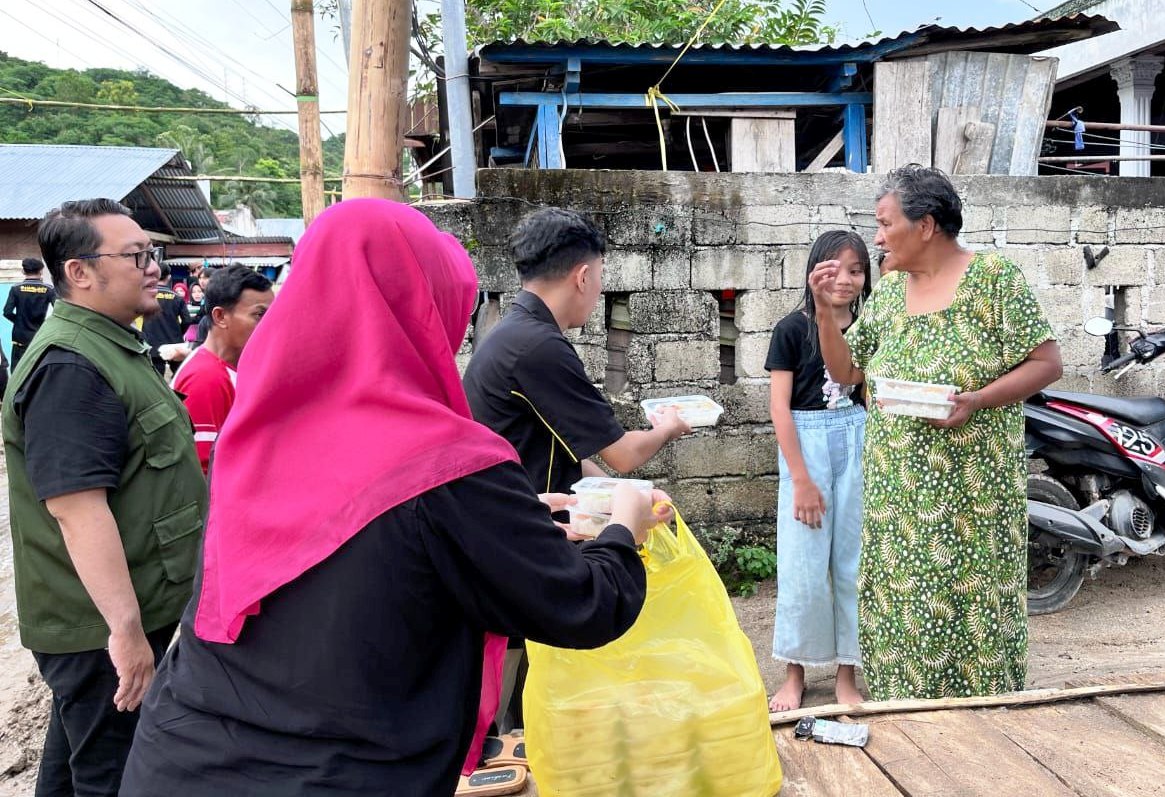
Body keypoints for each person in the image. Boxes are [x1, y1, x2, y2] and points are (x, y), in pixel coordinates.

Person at [120, 199, 668, 797]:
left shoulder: (253, 437)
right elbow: (582, 604)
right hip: (340, 775)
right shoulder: (444, 463)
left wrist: (516, 519)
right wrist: (624, 528)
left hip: (178, 755)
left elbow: (358, 545)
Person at [810, 165, 1062, 700]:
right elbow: (848, 373)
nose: (877, 237)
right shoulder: (892, 291)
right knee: (905, 618)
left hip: (972, 504)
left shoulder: (994, 280)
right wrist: (826, 316)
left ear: (925, 226)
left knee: (974, 624)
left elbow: (1046, 363)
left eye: (884, 223)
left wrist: (977, 401)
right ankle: (909, 737)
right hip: (898, 502)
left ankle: (983, 748)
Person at [2, 199, 207, 796]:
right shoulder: (72, 366)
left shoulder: (113, 347)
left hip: (122, 613)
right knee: (113, 775)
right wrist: (125, 632)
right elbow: (77, 507)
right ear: (79, 273)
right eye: (138, 255)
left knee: (75, 766)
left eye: (154, 253)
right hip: (101, 628)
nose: (155, 268)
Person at [461, 207, 690, 730]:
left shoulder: (512, 332)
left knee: (522, 669)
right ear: (583, 275)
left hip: (517, 515)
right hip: (525, 529)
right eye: (601, 278)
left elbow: (578, 450)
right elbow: (622, 454)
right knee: (514, 684)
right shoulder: (538, 347)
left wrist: (609, 490)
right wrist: (669, 427)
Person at [766, 231, 871, 712]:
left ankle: (848, 670)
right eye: (834, 269)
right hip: (805, 445)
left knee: (853, 562)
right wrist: (802, 480)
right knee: (803, 565)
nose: (845, 280)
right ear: (814, 272)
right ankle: (796, 673)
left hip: (858, 437)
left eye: (856, 270)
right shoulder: (791, 329)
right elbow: (779, 409)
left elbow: (871, 395)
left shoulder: (871, 327)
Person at [172, 264, 274, 474]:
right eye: (259, 315)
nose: (271, 324)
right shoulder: (207, 379)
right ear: (220, 317)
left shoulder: (225, 368)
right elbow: (205, 473)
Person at [4, 257, 57, 370]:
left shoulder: (16, 289)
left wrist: (19, 321)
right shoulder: (49, 289)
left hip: (20, 338)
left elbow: (7, 312)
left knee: (17, 371)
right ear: (41, 271)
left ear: (23, 271)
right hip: (39, 336)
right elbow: (58, 311)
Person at [141, 262, 191, 377]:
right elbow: (187, 320)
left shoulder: (145, 295)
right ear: (169, 277)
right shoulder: (177, 297)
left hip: (152, 343)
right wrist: (179, 333)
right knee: (181, 376)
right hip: (175, 343)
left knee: (157, 381)